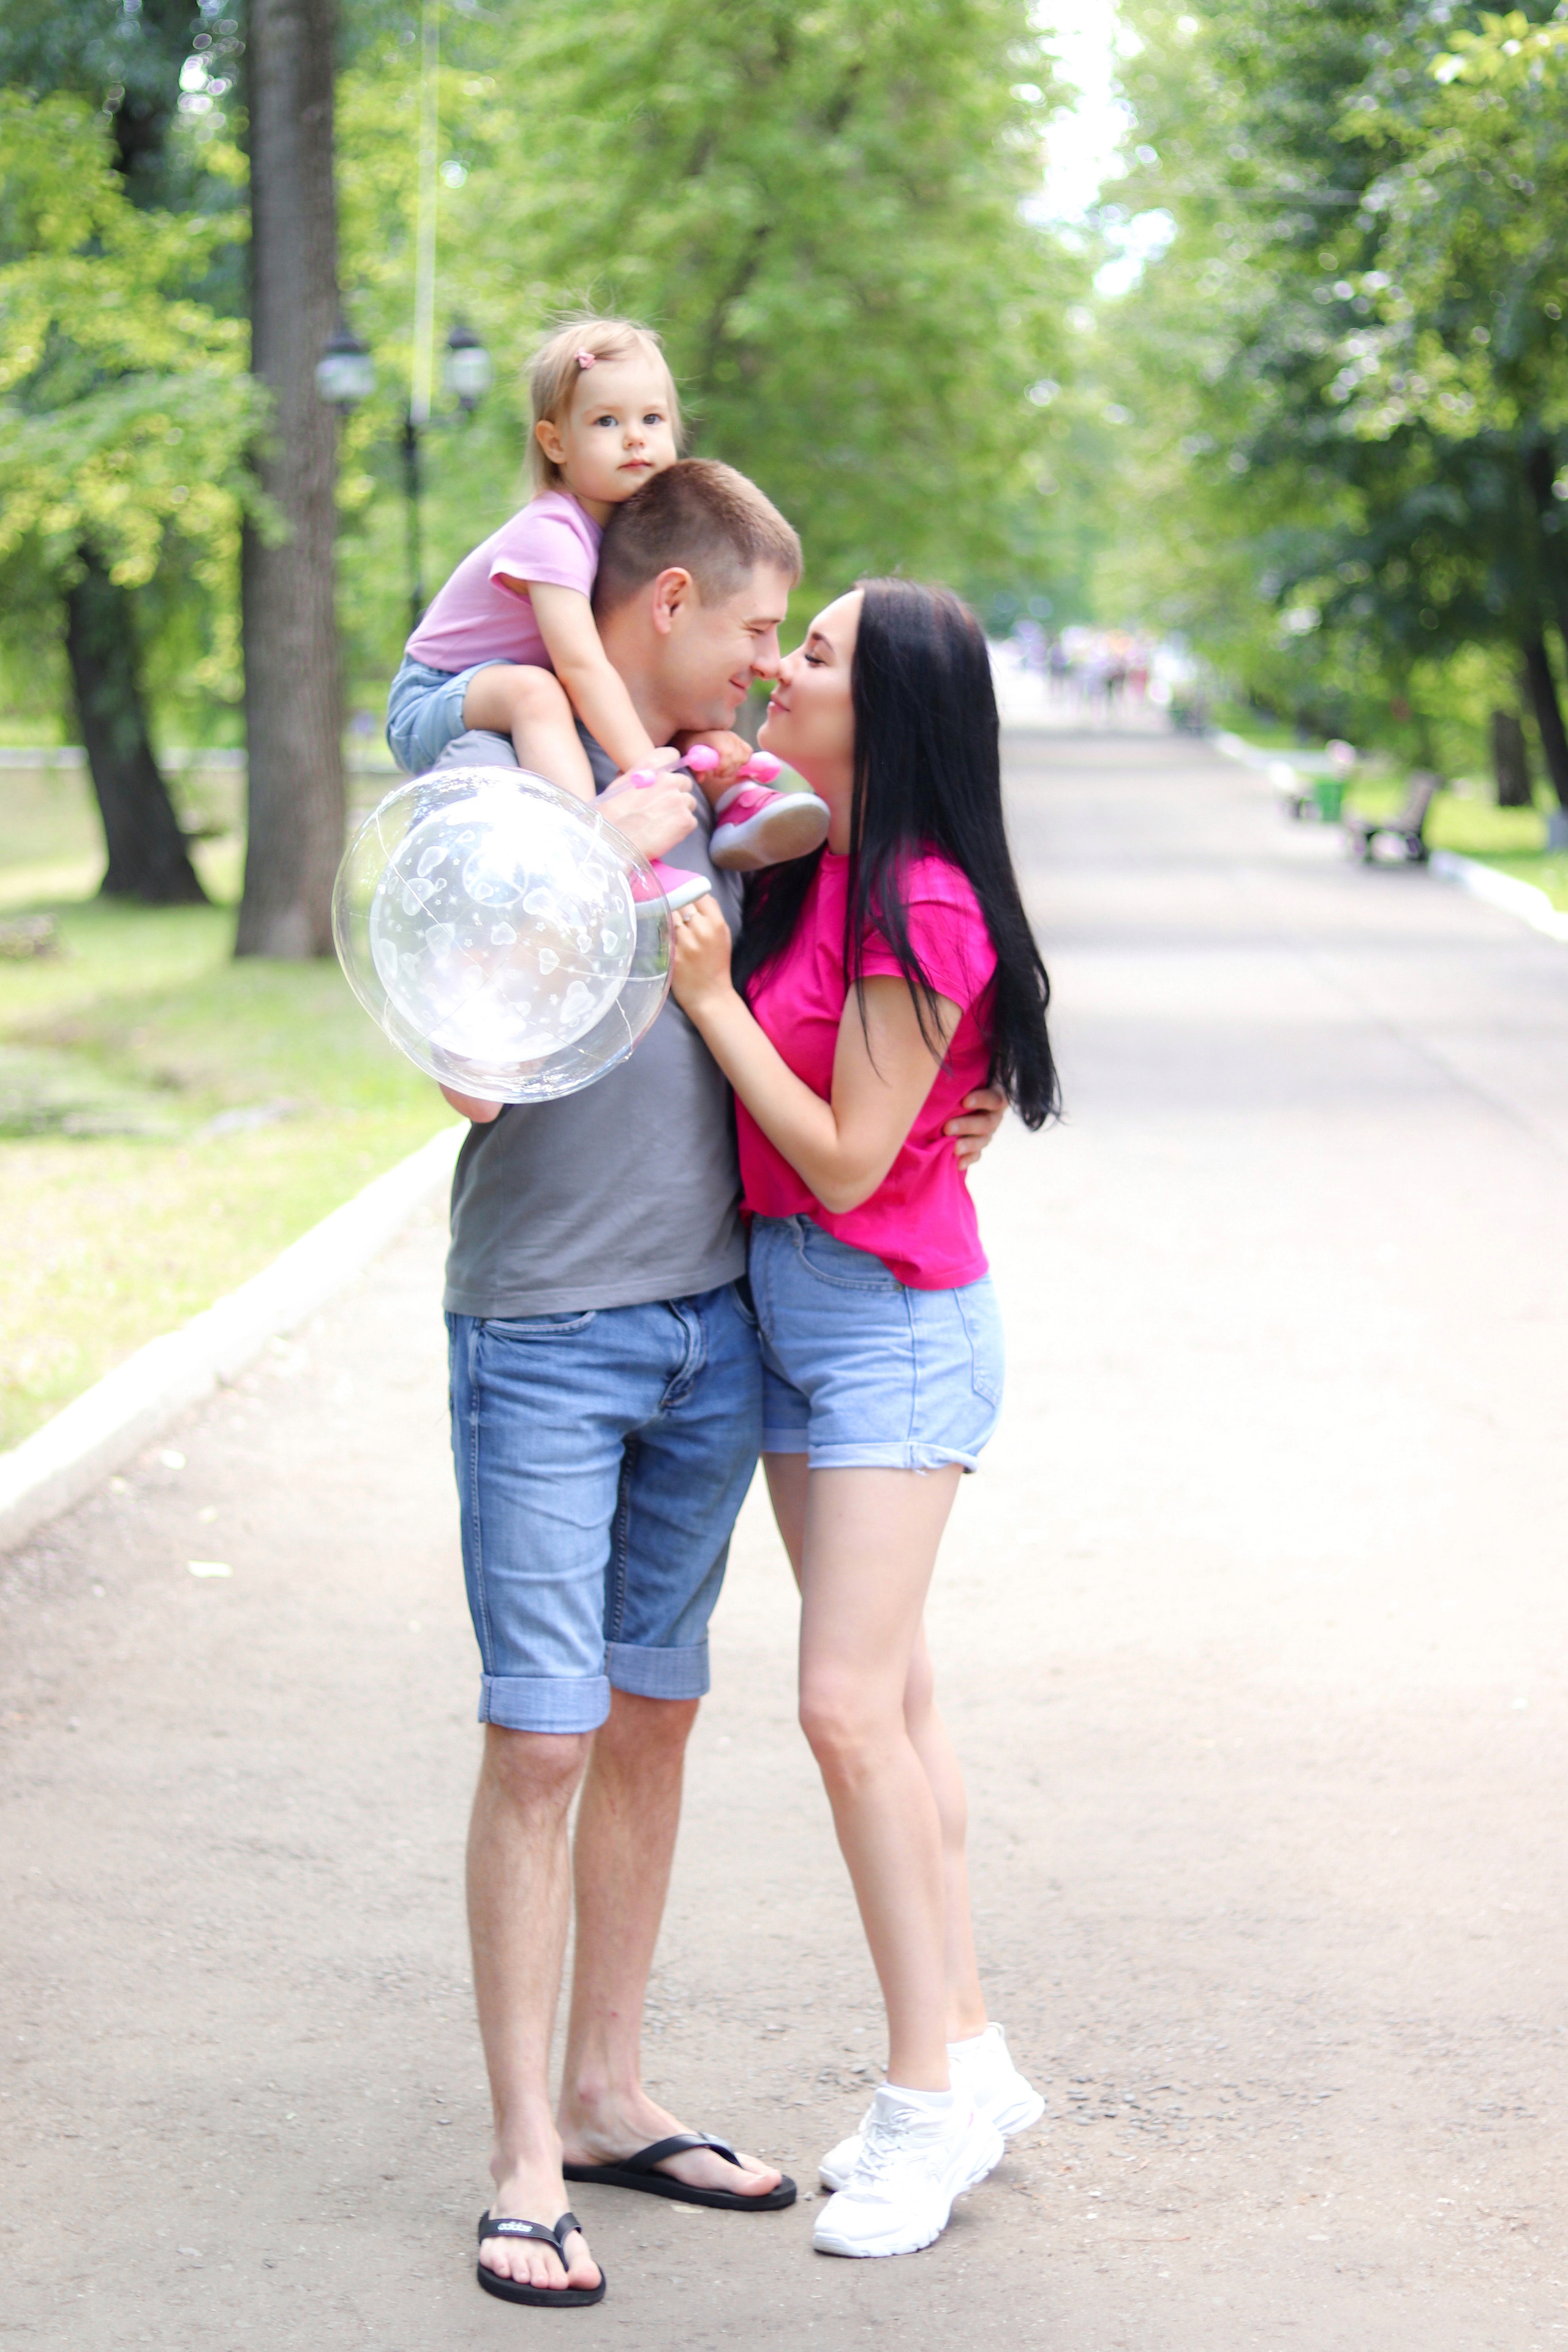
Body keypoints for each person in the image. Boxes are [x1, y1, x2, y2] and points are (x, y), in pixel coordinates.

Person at [432, 464, 1008, 2306]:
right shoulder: (515, 792)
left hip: (725, 1322)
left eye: (800, 646)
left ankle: (620, 2089)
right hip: (553, 1315)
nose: (772, 668)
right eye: (764, 631)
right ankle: (531, 2153)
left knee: (681, 1715)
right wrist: (576, 787)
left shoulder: (768, 817)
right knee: (550, 1727)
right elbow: (462, 1033)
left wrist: (947, 1100)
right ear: (662, 603)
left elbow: (884, 1029)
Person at [668, 576, 1058, 2260]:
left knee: (841, 1712)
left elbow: (838, 1155)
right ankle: (970, 2050)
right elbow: (690, 759)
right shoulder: (813, 840)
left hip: (893, 1326)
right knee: (893, 1704)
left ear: (882, 706)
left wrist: (707, 1003)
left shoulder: (925, 904)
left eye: (811, 653)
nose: (777, 664)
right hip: (796, 1314)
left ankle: (923, 2108)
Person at [385, 314, 828, 893]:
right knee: (535, 692)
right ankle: (597, 837)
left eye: (652, 418)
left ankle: (738, 798)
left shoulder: (629, 530)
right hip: (435, 692)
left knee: (684, 707)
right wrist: (647, 769)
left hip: (510, 680)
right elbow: (581, 667)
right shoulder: (552, 532)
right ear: (555, 442)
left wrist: (689, 743)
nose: (635, 438)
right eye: (606, 421)